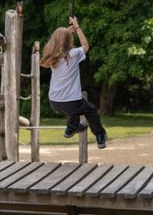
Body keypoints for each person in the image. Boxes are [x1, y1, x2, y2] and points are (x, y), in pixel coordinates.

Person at [39, 15, 108, 149]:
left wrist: (67, 32)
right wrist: (76, 26)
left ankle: (71, 129)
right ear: (68, 41)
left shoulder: (53, 57)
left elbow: (62, 42)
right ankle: (100, 136)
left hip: (54, 101)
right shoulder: (74, 54)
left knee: (75, 108)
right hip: (71, 102)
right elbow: (86, 46)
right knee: (91, 111)